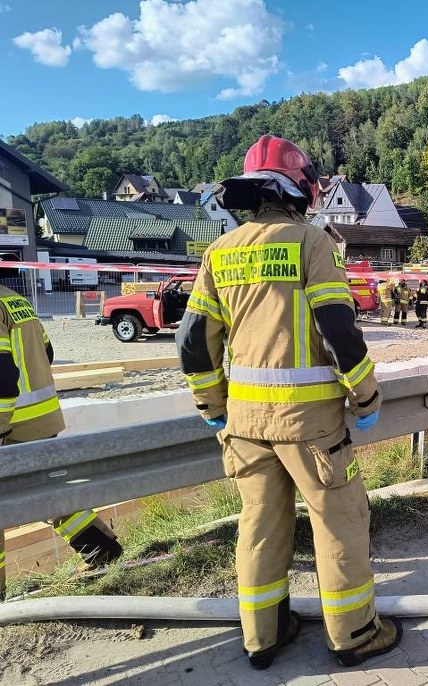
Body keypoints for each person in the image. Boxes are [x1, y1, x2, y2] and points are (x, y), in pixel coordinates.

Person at [177, 134, 402, 670]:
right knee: (339, 522)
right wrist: (365, 396)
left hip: (244, 425)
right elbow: (339, 331)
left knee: (259, 525)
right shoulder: (311, 243)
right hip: (311, 428)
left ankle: (263, 636)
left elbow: (192, 342)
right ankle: (354, 634)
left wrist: (213, 408)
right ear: (298, 189)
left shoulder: (219, 253)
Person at [0, 283, 122, 600]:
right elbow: (48, 352)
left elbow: (1, 378)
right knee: (44, 491)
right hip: (42, 419)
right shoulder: (14, 300)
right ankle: (99, 546)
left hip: (12, 425)